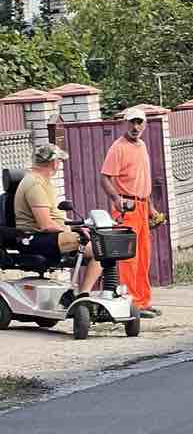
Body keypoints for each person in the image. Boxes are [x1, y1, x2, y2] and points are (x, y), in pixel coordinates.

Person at [11, 142, 102, 294]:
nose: (59, 164)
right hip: (35, 237)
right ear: (53, 162)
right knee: (100, 249)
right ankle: (83, 296)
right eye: (59, 161)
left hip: (46, 236)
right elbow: (46, 225)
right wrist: (73, 231)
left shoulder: (40, 180)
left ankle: (81, 295)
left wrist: (76, 227)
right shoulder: (35, 184)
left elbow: (52, 221)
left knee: (99, 242)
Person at [99, 106, 162, 316]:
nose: (135, 127)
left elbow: (143, 180)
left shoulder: (142, 145)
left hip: (142, 206)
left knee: (144, 256)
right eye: (132, 122)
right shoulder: (118, 148)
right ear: (125, 123)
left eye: (139, 122)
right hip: (126, 207)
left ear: (144, 124)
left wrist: (151, 207)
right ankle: (131, 303)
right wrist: (116, 199)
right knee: (128, 258)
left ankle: (143, 301)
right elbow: (104, 178)